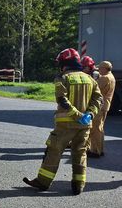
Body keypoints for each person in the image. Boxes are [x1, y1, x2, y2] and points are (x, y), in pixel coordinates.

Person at [23, 48, 102, 195]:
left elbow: (62, 100)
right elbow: (98, 99)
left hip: (66, 124)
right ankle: (78, 185)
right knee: (80, 152)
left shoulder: (63, 78)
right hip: (85, 125)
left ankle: (43, 182)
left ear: (64, 63)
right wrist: (90, 114)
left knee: (53, 151)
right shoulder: (90, 79)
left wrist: (77, 115)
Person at [88, 61, 116, 158]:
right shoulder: (111, 76)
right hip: (105, 105)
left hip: (100, 106)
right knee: (100, 128)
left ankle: (95, 151)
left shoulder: (104, 78)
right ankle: (100, 149)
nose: (98, 70)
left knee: (96, 129)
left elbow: (94, 89)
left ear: (105, 69)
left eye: (100, 68)